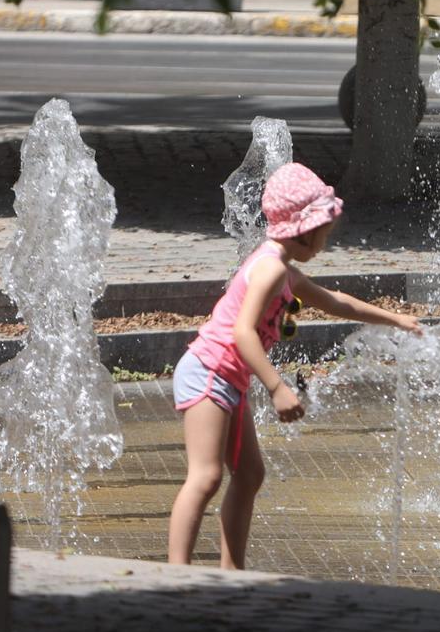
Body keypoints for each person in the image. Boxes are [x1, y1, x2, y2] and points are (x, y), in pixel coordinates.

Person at [167, 162, 423, 569]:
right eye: (325, 229)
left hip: (227, 379)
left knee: (249, 475)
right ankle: (174, 575)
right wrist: (276, 387)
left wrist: (396, 319)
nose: (327, 238)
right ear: (303, 228)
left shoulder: (285, 271)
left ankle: (232, 571)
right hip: (208, 373)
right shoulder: (269, 268)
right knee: (206, 476)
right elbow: (242, 334)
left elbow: (335, 301)